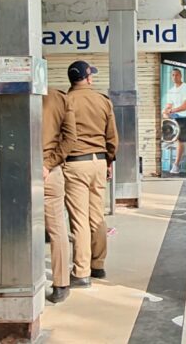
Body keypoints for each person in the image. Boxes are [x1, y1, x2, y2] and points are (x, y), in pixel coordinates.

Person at [63, 61, 119, 288]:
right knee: (97, 216)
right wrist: (109, 160)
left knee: (79, 220)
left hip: (75, 164)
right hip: (99, 162)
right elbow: (112, 136)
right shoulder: (102, 100)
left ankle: (81, 272)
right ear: (87, 77)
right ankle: (98, 264)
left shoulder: (65, 101)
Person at [42, 87, 77, 303]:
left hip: (14, 172)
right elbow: (70, 138)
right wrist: (48, 164)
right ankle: (61, 284)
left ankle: (16, 279)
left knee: (15, 229)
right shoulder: (59, 98)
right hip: (48, 173)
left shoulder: (7, 92)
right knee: (57, 229)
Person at [162, 68, 186, 174]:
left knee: (180, 141)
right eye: (173, 75)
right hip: (174, 116)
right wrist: (165, 111)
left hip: (183, 116)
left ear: (181, 76)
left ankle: (176, 165)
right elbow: (169, 105)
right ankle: (169, 139)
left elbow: (185, 106)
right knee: (163, 115)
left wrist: (172, 110)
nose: (174, 77)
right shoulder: (171, 90)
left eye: (177, 75)